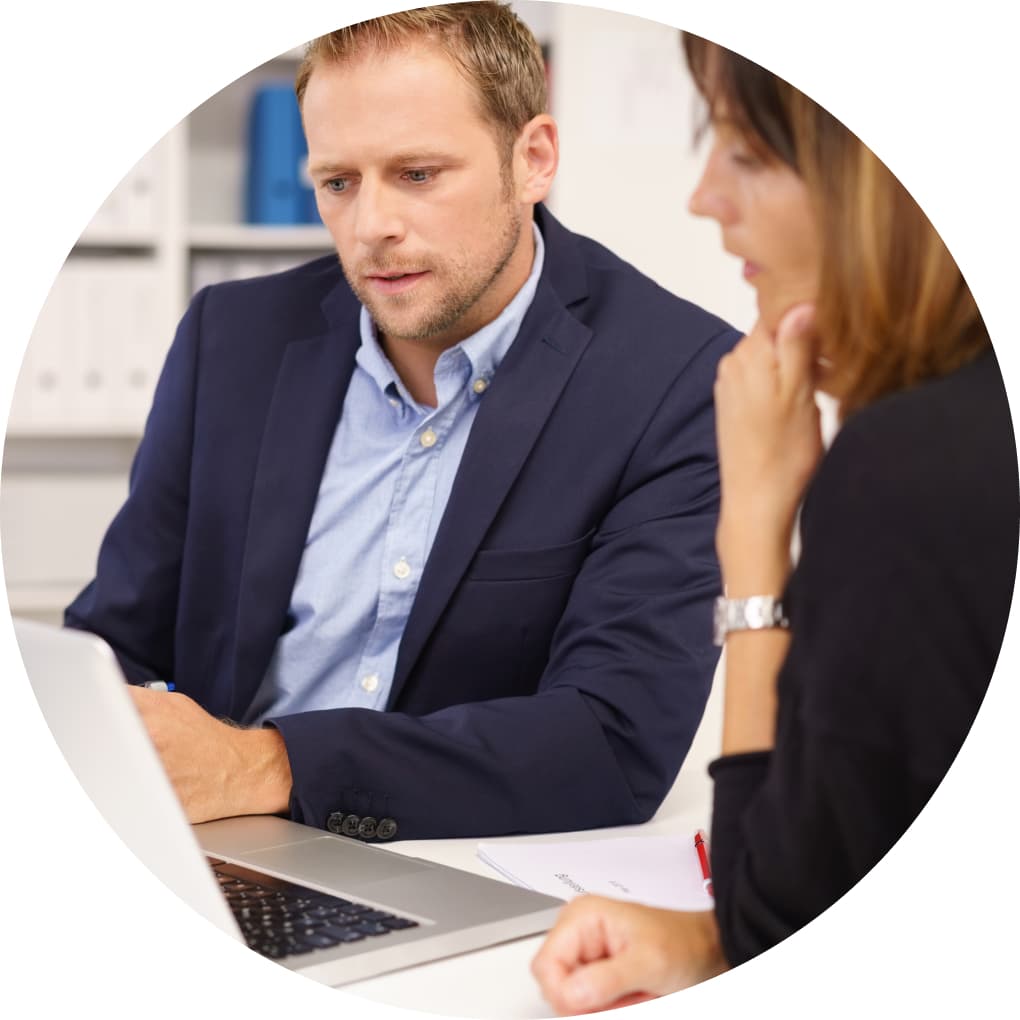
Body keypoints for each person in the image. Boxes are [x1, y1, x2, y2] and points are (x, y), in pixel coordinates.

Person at [64, 4, 740, 842]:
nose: (372, 226)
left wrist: (264, 765)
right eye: (338, 182)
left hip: (467, 868)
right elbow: (109, 649)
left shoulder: (677, 378)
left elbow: (613, 742)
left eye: (418, 174)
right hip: (208, 843)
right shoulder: (230, 337)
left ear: (533, 160)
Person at [531, 34, 1018, 1014]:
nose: (704, 197)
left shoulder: (914, 470)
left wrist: (755, 525)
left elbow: (782, 927)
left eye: (748, 154)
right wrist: (713, 937)